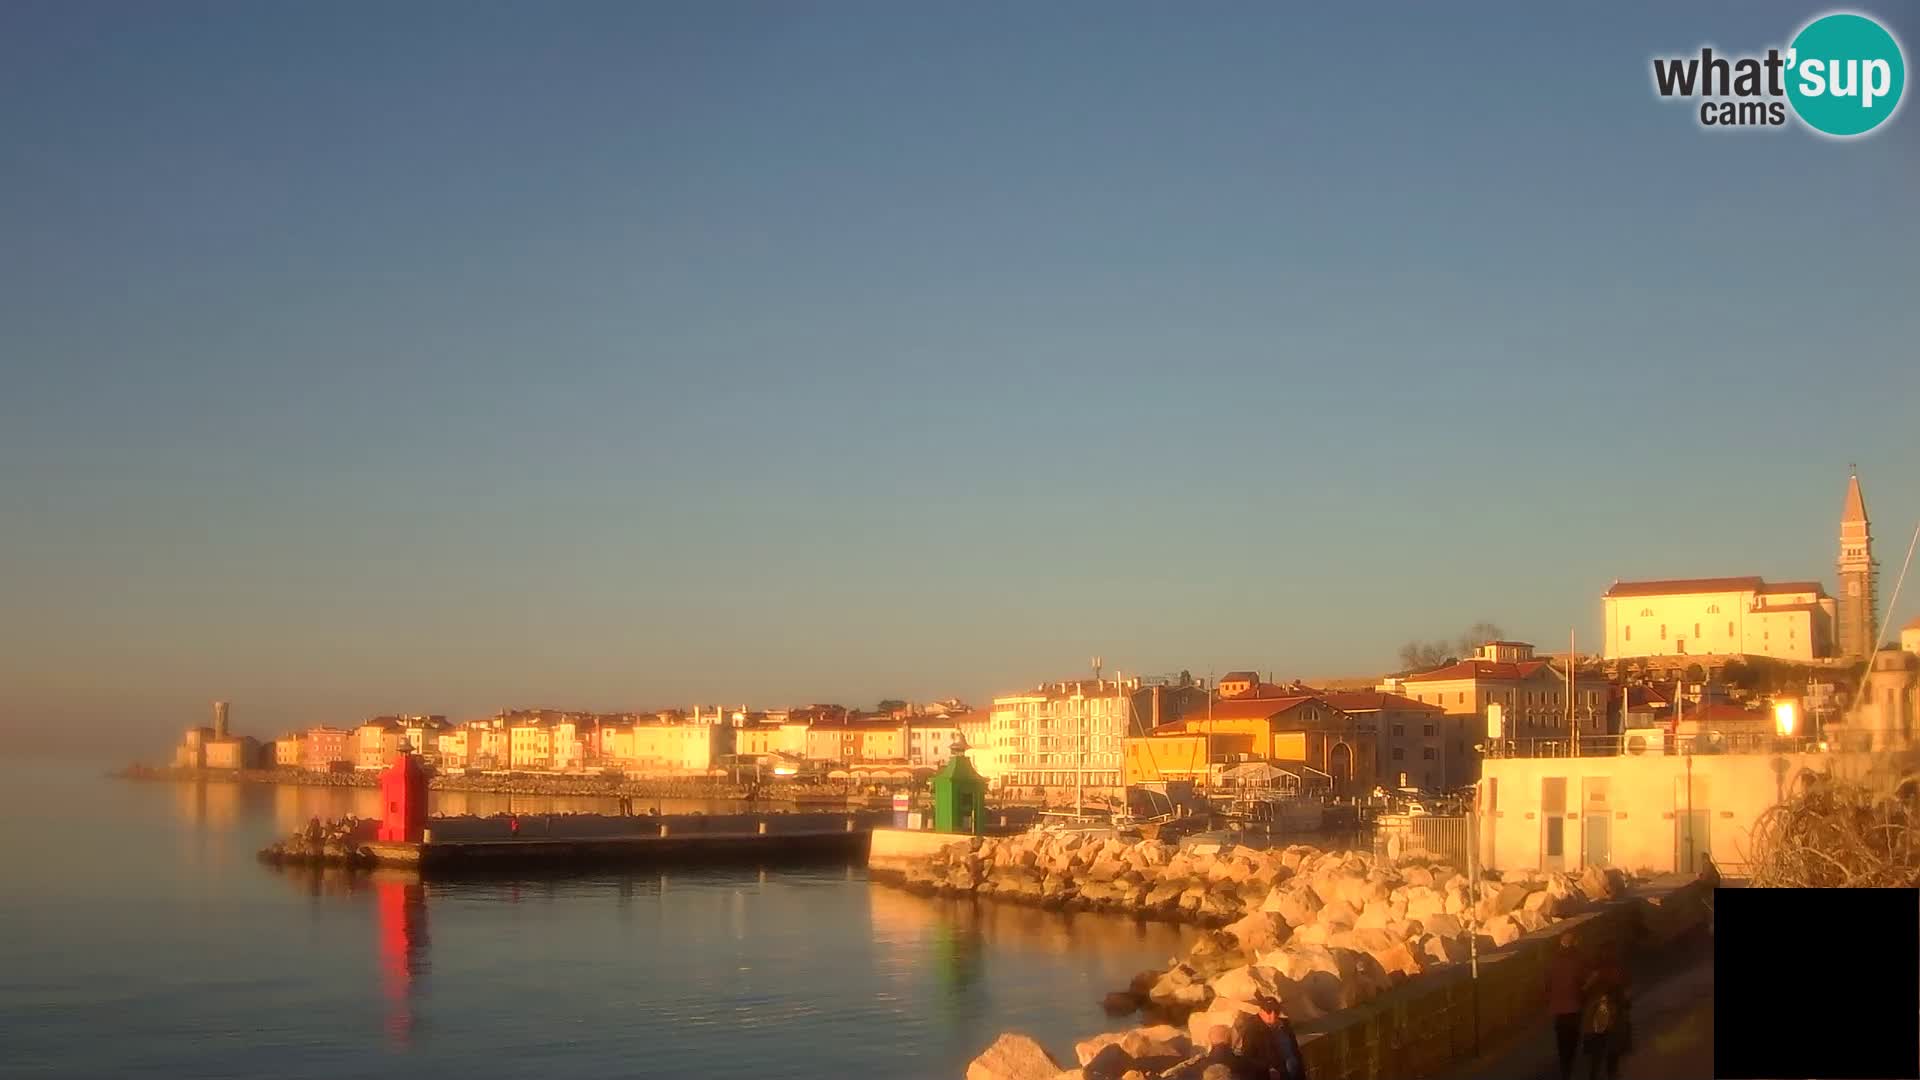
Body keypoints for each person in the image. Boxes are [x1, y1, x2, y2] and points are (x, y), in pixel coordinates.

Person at [1582, 947, 1632, 1080]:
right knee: (1610, 1044)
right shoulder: (1615, 971)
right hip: (1608, 1013)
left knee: (1601, 1046)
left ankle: (1601, 1073)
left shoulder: (1599, 973)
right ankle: (1610, 1072)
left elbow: (1585, 990)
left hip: (1603, 1013)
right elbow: (1625, 991)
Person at [1546, 931, 1589, 1080]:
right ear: (1574, 941)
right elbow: (1584, 980)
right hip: (1574, 1005)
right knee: (1572, 1038)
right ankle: (1568, 1067)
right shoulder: (1578, 958)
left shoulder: (1552, 958)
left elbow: (1547, 982)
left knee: (1561, 1038)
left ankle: (1565, 1067)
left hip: (1558, 1007)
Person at [1236, 994, 1308, 1080]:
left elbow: (1294, 1048)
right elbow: (1248, 1058)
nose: (1273, 1015)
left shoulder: (1285, 1024)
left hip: (1295, 1073)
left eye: (1276, 1010)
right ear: (1261, 1012)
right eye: (1269, 1011)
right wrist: (1269, 1068)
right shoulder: (1252, 1030)